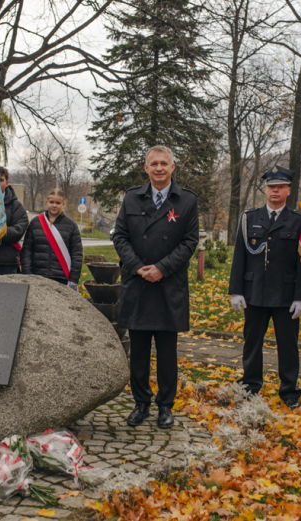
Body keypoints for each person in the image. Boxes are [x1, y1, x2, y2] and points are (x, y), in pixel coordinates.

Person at [113, 145, 199, 429]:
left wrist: (161, 268)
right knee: (137, 352)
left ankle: (165, 406)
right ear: (146, 168)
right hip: (137, 284)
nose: (159, 168)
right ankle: (141, 403)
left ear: (173, 167)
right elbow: (120, 236)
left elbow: (189, 242)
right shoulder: (131, 198)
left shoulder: (186, 201)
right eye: (154, 164)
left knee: (166, 353)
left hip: (168, 286)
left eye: (164, 163)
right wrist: (138, 266)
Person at [228, 166, 301, 409]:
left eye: (280, 186)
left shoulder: (299, 221)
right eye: (271, 186)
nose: (275, 190)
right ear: (265, 189)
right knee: (251, 342)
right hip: (254, 292)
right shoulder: (249, 218)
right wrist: (236, 290)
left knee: (288, 346)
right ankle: (251, 385)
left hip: (286, 295)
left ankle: (289, 392)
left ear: (288, 190)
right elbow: (240, 256)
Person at [21, 188, 82, 287]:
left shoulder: (71, 225)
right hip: (37, 277)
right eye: (51, 202)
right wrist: (27, 275)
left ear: (63, 204)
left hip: (61, 279)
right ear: (46, 202)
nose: (54, 205)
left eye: (58, 203)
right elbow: (27, 251)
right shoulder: (35, 223)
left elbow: (77, 255)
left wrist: (74, 279)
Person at [0, 166, 28, 274]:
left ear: (6, 183)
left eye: (1, 180)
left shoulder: (16, 206)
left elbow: (18, 231)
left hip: (6, 262)